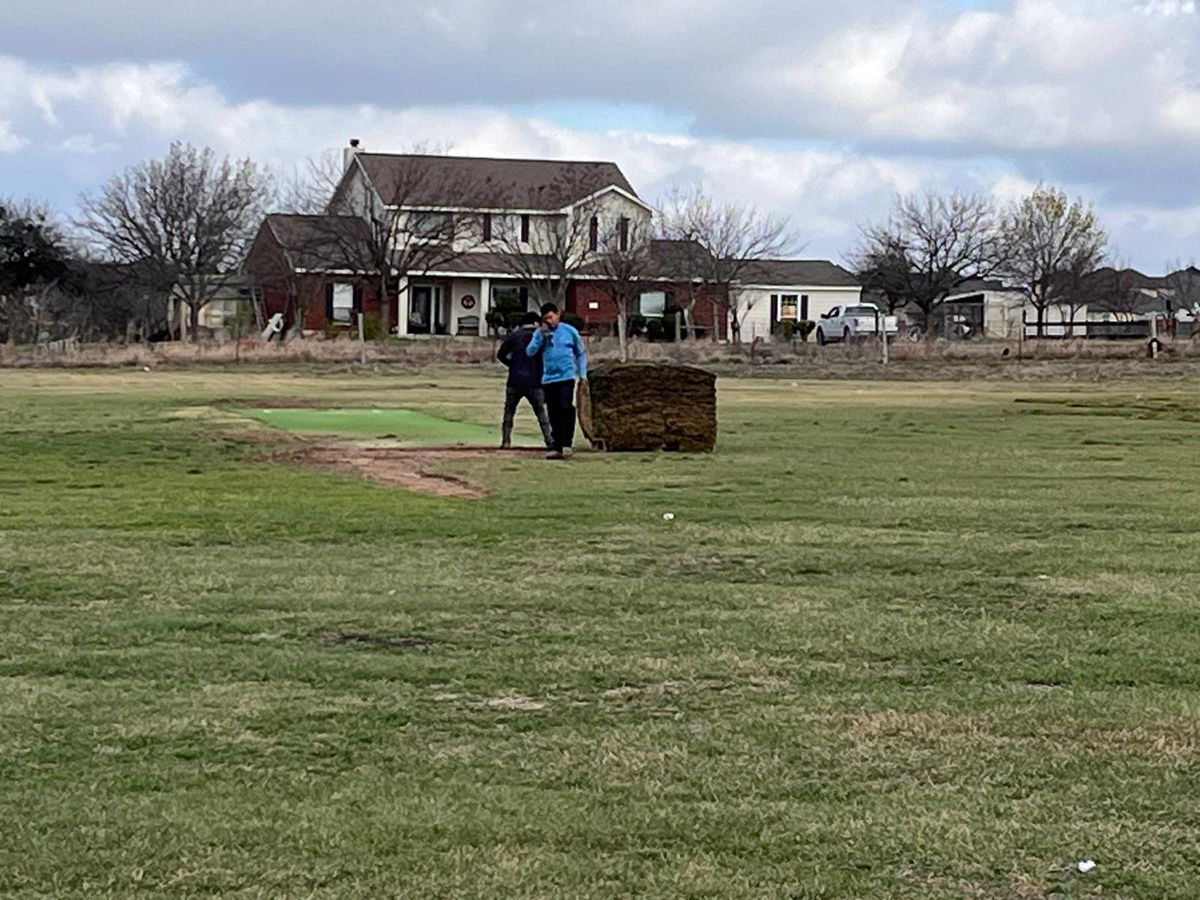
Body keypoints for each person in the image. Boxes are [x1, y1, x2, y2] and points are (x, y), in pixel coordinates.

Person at [526, 302, 588, 459]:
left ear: (557, 315)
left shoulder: (569, 331)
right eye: (545, 318)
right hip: (549, 379)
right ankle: (557, 445)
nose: (549, 321)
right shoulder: (540, 333)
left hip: (566, 376)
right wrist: (541, 336)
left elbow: (580, 353)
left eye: (551, 317)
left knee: (565, 408)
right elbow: (530, 351)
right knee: (553, 412)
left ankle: (567, 443)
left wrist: (583, 374)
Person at [496, 311, 554, 450]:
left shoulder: (514, 336)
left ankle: (506, 441)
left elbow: (501, 354)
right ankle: (549, 440)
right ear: (535, 322)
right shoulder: (540, 337)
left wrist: (512, 364)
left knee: (509, 411)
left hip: (515, 379)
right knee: (541, 413)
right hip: (535, 381)